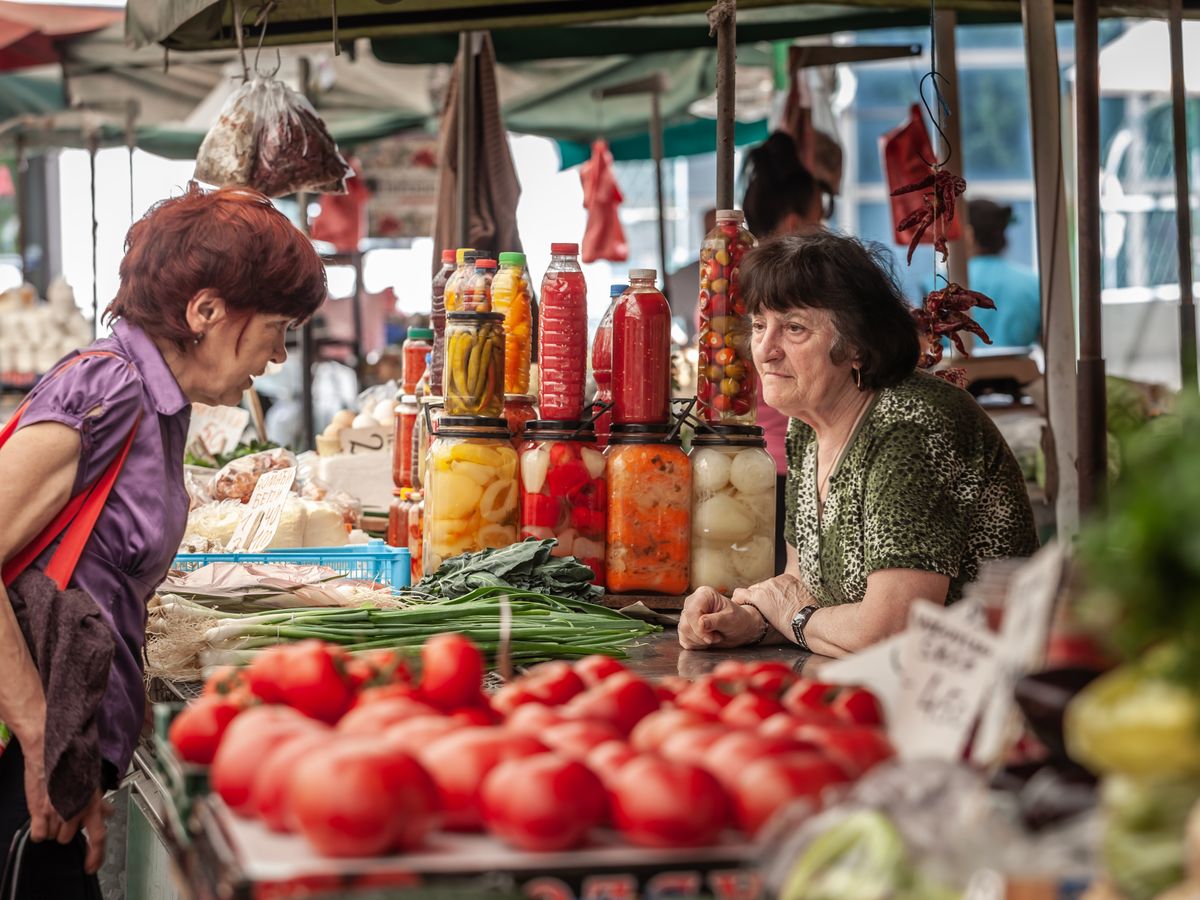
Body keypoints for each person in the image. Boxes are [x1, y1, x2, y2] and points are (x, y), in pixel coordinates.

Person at [0, 184, 326, 891]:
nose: (276, 357)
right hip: (18, 764)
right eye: (276, 327)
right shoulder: (107, 389)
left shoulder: (162, 404)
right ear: (206, 311)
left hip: (66, 754)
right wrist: (37, 740)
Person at [678, 231, 1038, 657]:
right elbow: (804, 591)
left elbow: (891, 631)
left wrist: (788, 614)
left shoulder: (912, 426)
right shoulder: (806, 428)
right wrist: (748, 622)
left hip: (979, 685)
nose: (765, 350)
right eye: (759, 325)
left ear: (857, 347)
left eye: (793, 328)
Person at [740, 130, 831, 576]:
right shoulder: (802, 292)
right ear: (796, 225)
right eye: (821, 218)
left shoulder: (729, 281)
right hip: (790, 469)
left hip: (747, 469)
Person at [963, 199, 1041, 348]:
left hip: (957, 372)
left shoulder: (937, 286)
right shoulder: (1034, 284)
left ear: (968, 235)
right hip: (1022, 371)